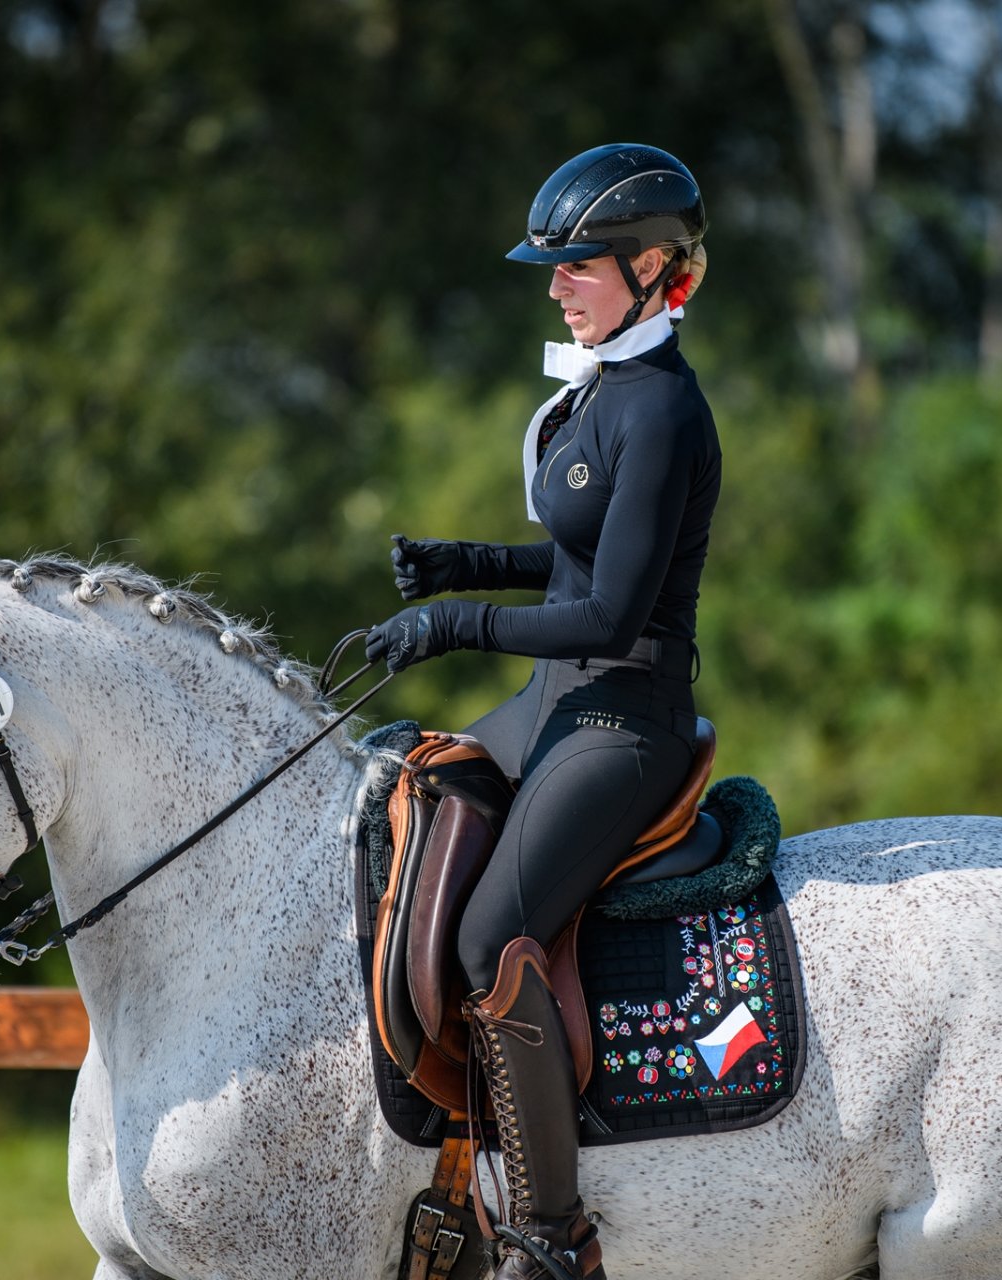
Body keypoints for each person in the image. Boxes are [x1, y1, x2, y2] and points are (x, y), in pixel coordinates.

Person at [365, 143, 721, 1280]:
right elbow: (578, 558)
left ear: (655, 266)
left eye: (577, 265)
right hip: (555, 699)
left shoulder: (660, 408)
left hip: (627, 716)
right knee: (395, 787)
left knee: (485, 939)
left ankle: (553, 1235)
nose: (555, 283)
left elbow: (615, 608)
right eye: (553, 264)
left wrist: (459, 623)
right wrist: (468, 562)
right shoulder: (600, 390)